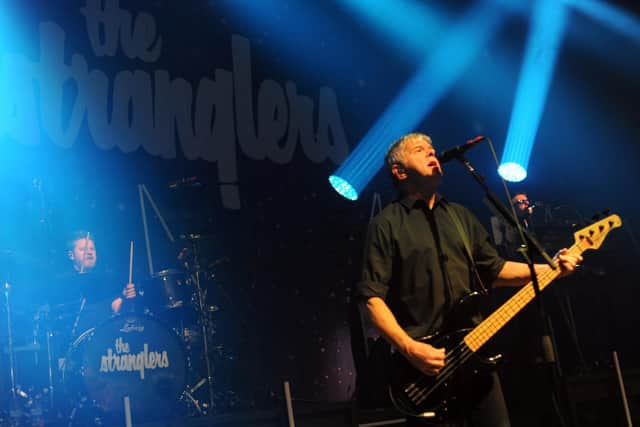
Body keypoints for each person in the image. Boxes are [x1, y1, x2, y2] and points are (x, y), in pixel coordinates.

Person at [355, 133, 582, 426]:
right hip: (425, 370)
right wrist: (410, 349)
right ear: (399, 171)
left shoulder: (460, 216)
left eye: (433, 149)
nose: (432, 153)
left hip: (476, 356)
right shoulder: (386, 224)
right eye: (420, 150)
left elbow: (495, 270)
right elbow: (370, 298)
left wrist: (551, 268)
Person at [50, 231, 137, 339]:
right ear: (71, 255)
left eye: (92, 249)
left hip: (104, 341)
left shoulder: (106, 281)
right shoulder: (64, 283)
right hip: (73, 342)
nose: (89, 252)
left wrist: (126, 298)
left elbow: (116, 307)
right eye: (83, 249)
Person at [490, 192, 535, 260]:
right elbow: (501, 245)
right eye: (522, 201)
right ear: (512, 205)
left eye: (527, 201)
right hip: (514, 259)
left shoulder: (526, 219)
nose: (527, 203)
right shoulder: (498, 220)